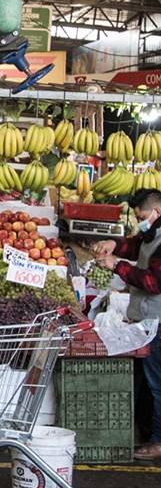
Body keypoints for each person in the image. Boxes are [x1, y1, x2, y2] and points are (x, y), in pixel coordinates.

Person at [92, 188, 161, 460]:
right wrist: (115, 245)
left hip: (158, 320)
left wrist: (117, 265)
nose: (140, 221)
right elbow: (138, 244)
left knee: (157, 383)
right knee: (147, 381)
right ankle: (146, 432)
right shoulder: (152, 232)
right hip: (146, 319)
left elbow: (154, 283)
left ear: (157, 211)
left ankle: (158, 442)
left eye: (142, 216)